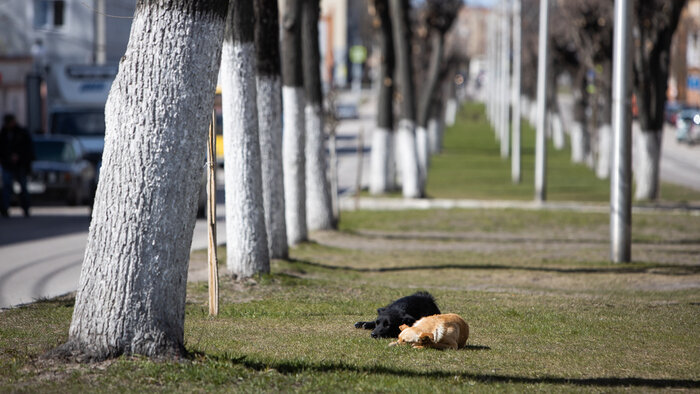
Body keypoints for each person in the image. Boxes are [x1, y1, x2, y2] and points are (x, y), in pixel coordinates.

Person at [0, 114, 35, 217]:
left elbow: (28, 149)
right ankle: (5, 209)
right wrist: (8, 157)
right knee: (6, 187)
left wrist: (19, 156)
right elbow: (2, 149)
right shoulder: (4, 133)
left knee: (23, 187)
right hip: (7, 165)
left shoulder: (21, 132)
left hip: (20, 165)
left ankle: (26, 209)